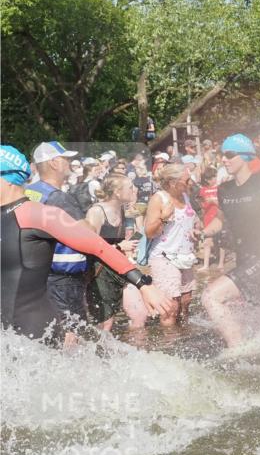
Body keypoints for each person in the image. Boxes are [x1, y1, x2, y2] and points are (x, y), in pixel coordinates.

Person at [1, 145, 169, 345]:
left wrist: (143, 284)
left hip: (34, 331)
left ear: (7, 177)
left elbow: (98, 246)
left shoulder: (40, 214)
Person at [201, 134, 260, 348]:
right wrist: (203, 232)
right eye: (222, 155)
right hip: (244, 258)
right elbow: (221, 219)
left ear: (246, 156)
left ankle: (237, 349)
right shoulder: (224, 190)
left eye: (229, 155)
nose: (224, 160)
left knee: (210, 296)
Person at [24, 141, 89, 324]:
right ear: (54, 163)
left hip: (39, 275)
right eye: (65, 158)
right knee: (72, 333)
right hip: (63, 278)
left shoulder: (29, 191)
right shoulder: (58, 197)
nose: (70, 162)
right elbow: (87, 234)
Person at [83, 174, 143, 331]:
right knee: (105, 325)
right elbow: (89, 246)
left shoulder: (122, 209)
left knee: (140, 316)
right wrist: (120, 247)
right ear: (117, 192)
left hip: (120, 266)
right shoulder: (96, 211)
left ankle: (134, 351)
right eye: (130, 187)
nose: (134, 189)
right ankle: (99, 354)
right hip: (99, 272)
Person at [144, 162, 199, 326]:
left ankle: (184, 338)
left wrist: (197, 229)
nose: (190, 183)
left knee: (186, 302)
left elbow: (193, 220)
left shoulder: (186, 196)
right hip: (164, 256)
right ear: (172, 183)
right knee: (171, 307)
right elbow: (149, 232)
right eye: (187, 180)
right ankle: (170, 346)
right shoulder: (159, 199)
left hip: (185, 256)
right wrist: (164, 217)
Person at [198, 166, 225, 271]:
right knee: (207, 242)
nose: (214, 179)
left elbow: (223, 204)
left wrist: (213, 201)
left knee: (221, 241)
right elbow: (202, 206)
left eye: (214, 177)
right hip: (208, 218)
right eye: (211, 178)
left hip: (219, 217)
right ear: (207, 179)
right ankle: (205, 265)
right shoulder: (203, 190)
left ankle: (221, 263)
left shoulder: (220, 188)